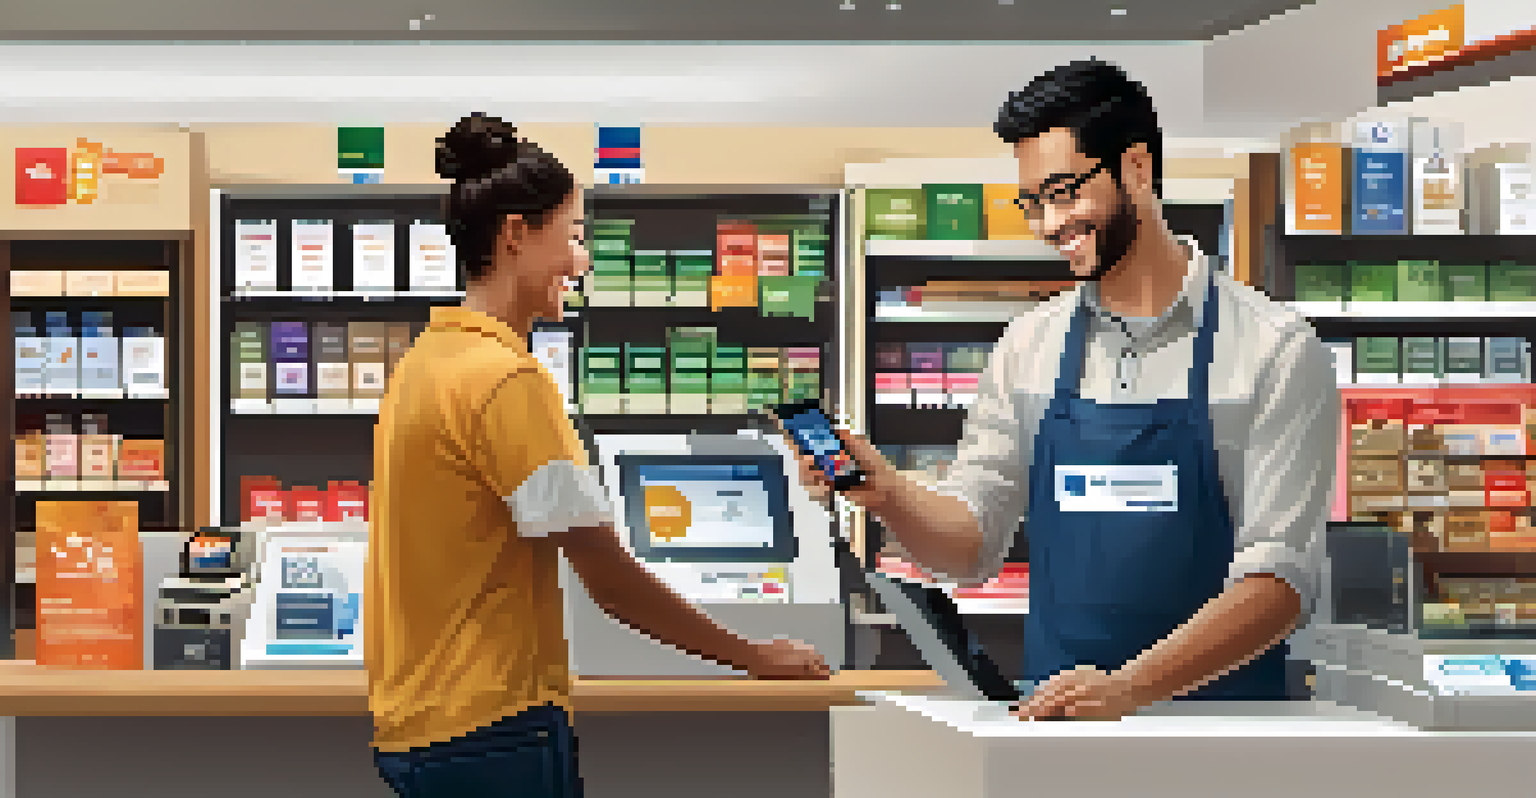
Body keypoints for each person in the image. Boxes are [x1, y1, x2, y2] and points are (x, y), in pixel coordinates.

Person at [797, 59, 1338, 720]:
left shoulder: (1274, 348)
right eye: (1034, 203)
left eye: (1064, 192)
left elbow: (1278, 581)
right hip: (1056, 730)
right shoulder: (1028, 348)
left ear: (1136, 168)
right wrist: (889, 494)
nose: (1048, 225)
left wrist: (1134, 687)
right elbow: (971, 547)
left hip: (1225, 735)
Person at [367, 113, 830, 798]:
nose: (582, 260)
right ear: (517, 234)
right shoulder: (506, 379)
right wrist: (752, 655)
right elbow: (605, 574)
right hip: (493, 726)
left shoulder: (426, 362)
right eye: (575, 235)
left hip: (417, 724)